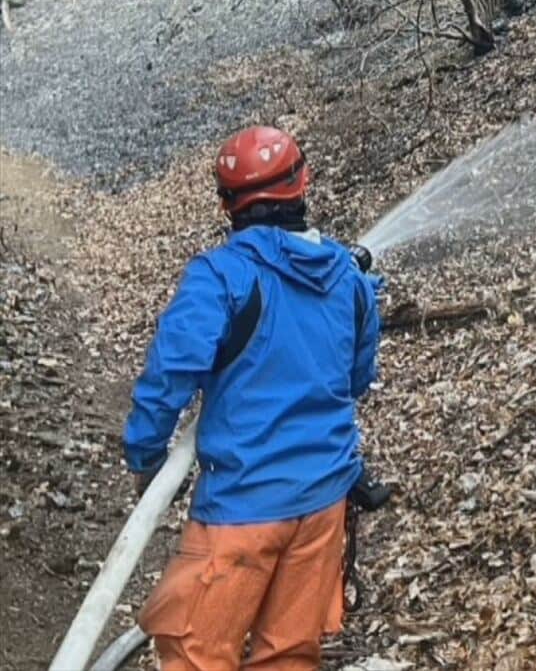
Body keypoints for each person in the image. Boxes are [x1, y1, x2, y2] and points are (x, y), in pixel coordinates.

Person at [123, 125, 381, 670]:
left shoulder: (220, 278)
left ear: (227, 203)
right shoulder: (350, 280)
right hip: (324, 503)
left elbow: (170, 372)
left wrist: (146, 456)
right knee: (288, 654)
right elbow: (356, 379)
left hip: (242, 504)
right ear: (304, 182)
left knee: (194, 653)